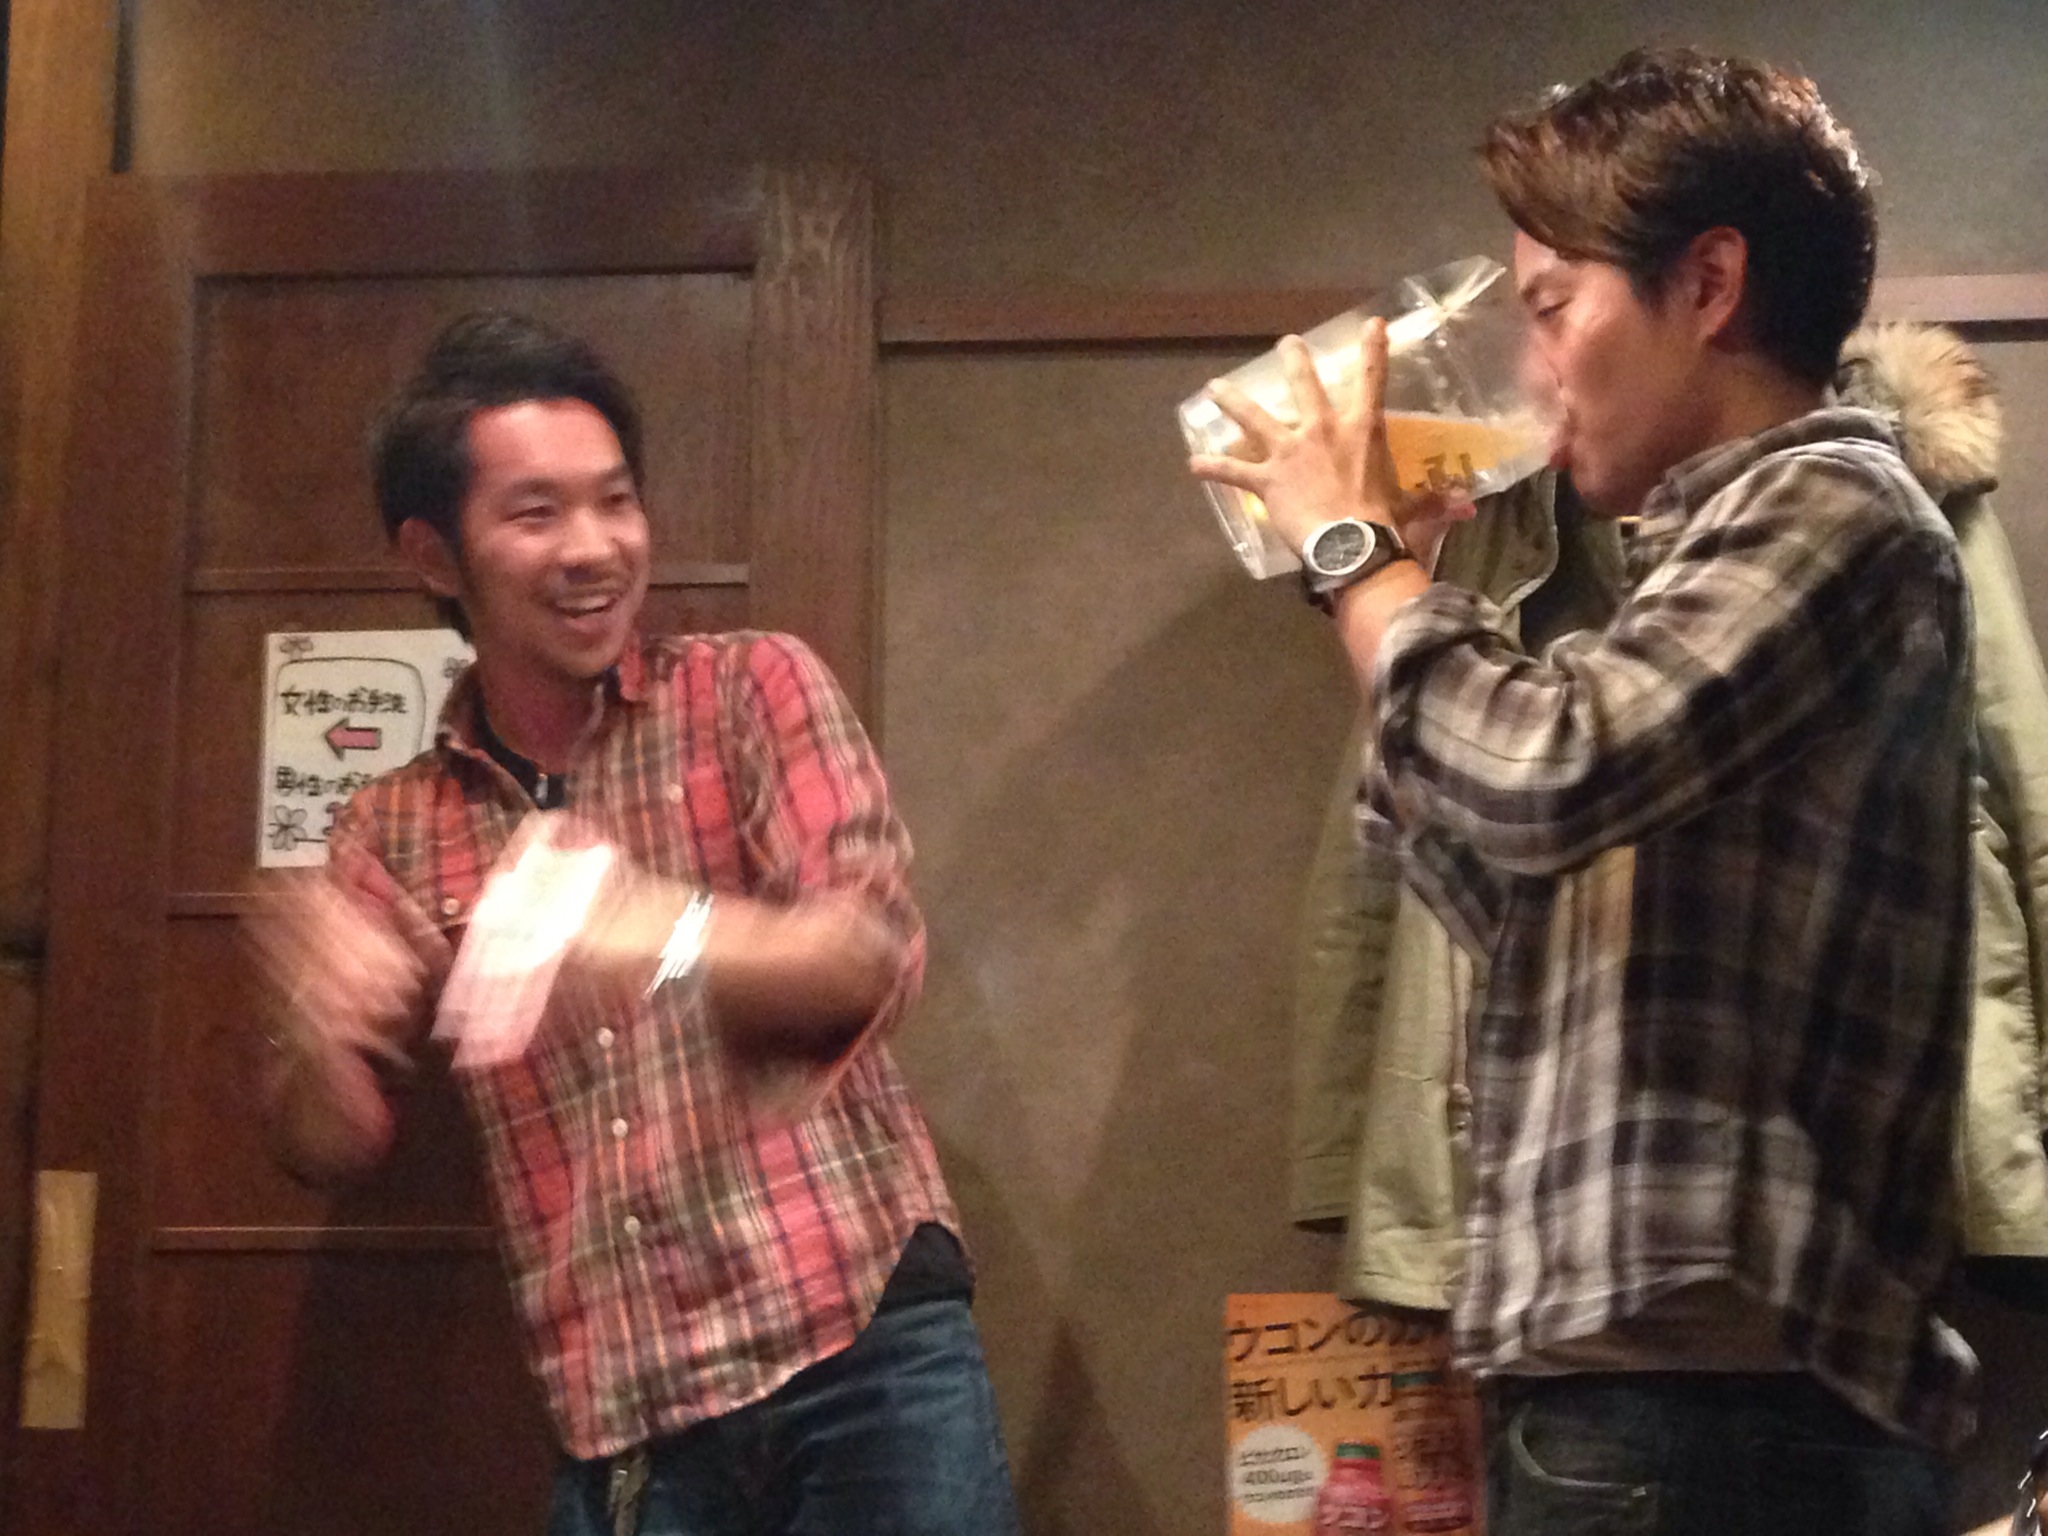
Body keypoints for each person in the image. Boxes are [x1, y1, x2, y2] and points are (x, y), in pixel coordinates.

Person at [1192, 48, 1977, 1536]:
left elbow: (1547, 771)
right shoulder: (1686, 561)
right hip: (1648, 1400)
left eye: (1552, 309)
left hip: (1725, 1412)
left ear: (1708, 284)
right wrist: (1399, 582)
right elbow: (1494, 871)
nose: (1530, 367)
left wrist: (1357, 558)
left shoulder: (1833, 503)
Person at [253, 310, 1020, 1536]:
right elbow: (330, 1148)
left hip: (862, 1354)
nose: (594, 548)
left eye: (616, 502)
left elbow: (867, 961)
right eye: (536, 512)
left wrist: (646, 931)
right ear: (434, 555)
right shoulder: (390, 830)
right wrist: (317, 1032)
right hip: (628, 1413)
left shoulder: (750, 689)